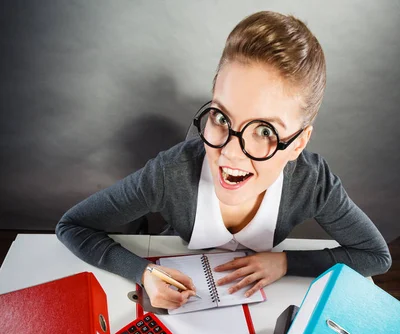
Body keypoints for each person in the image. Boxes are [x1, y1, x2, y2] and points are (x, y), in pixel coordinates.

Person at [56, 11, 391, 310]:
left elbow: (375, 256)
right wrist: (143, 272)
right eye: (221, 117)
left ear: (298, 142)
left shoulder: (312, 183)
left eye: (264, 130)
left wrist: (285, 263)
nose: (231, 153)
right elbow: (72, 226)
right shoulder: (171, 172)